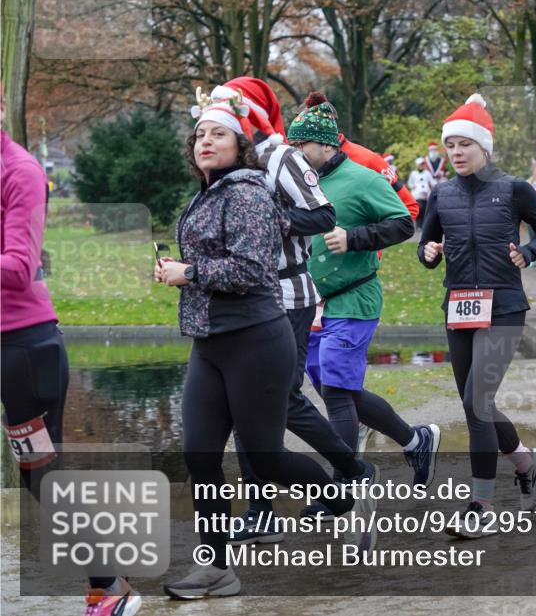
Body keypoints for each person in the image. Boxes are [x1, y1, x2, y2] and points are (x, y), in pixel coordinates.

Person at [158, 90, 370, 599]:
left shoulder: (250, 191)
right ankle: (217, 568)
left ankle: (344, 494)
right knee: (202, 455)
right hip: (210, 343)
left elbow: (252, 270)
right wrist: (177, 271)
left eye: (219, 134)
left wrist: (188, 273)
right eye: (200, 134)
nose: (206, 141)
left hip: (256, 339)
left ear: (241, 144)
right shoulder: (208, 193)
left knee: (267, 459)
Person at [206, 79, 375, 546]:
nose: (221, 118)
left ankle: (349, 473)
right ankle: (332, 481)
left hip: (285, 297)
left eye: (231, 107)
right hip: (242, 297)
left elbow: (322, 216)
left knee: (279, 401)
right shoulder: (229, 160)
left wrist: (272, 221)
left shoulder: (280, 156)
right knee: (261, 404)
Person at [1, 94, 141, 615]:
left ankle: (112, 584)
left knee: (41, 474)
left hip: (22, 349)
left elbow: (17, 265)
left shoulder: (20, 171)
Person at [287, 94, 441, 509]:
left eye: (301, 146)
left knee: (336, 390)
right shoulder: (298, 181)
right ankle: (415, 439)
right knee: (341, 392)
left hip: (354, 299)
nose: (296, 153)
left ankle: (344, 489)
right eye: (292, 146)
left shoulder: (364, 178)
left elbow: (405, 222)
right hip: (311, 304)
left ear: (325, 145)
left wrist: (353, 238)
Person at [418, 93, 536, 536]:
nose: (456, 154)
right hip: (459, 306)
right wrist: (429, 252)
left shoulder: (513, 189)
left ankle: (481, 505)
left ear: (484, 148)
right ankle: (525, 464)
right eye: (450, 147)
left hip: (504, 307)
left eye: (465, 145)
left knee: (476, 402)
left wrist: (530, 251)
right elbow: (427, 247)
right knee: (476, 403)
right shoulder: (441, 194)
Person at [407, 155, 436, 228]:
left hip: (426, 195)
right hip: (417, 195)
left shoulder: (427, 173)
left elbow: (432, 182)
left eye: (423, 164)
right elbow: (410, 183)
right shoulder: (413, 173)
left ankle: (423, 226)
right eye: (421, 164)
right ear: (418, 165)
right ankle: (418, 225)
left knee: (425, 211)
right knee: (419, 210)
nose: (422, 165)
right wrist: (413, 186)